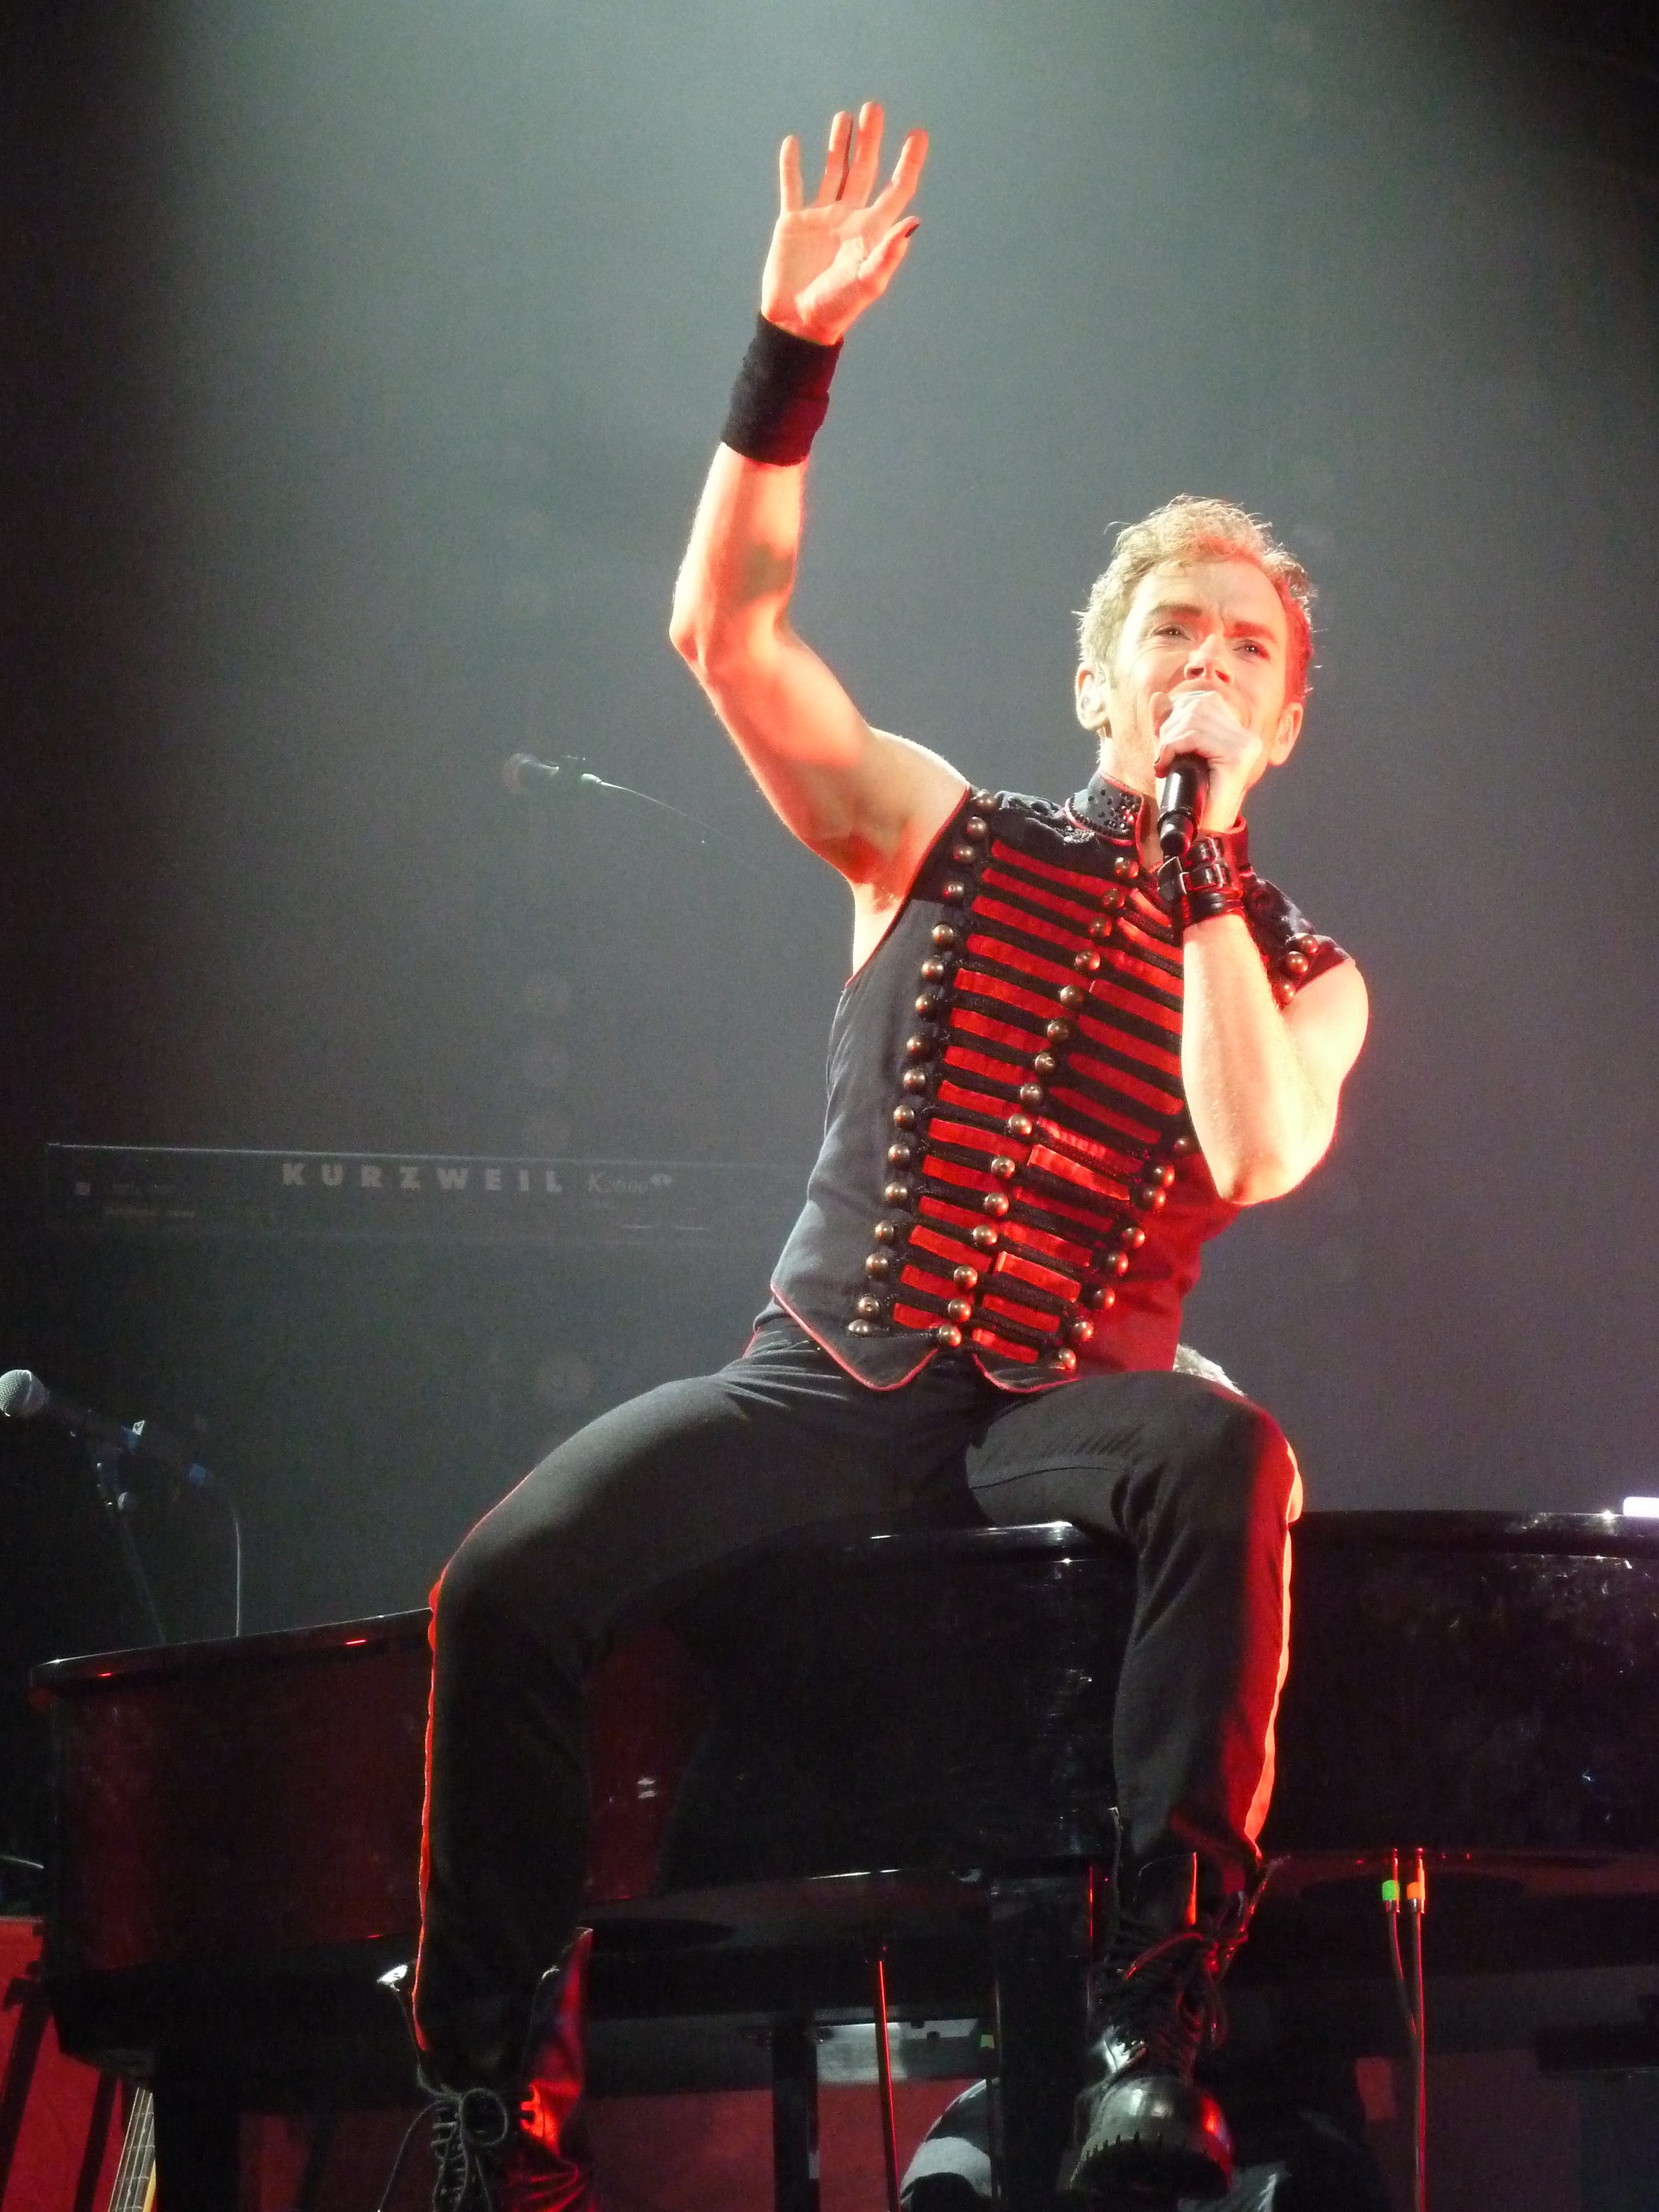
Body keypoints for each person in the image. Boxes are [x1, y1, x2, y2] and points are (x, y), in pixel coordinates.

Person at [402, 101, 1369, 2212]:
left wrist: (1203, 877)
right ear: (1099, 680)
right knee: (505, 1586)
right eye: (1175, 635)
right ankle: (495, 2111)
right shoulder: (939, 829)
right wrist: (790, 354)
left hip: (1065, 1419)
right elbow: (726, 641)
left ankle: (1149, 2044)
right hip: (824, 1382)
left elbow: (1254, 1146)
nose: (1207, 666)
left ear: (1282, 723)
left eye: (1248, 653)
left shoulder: (1301, 968)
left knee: (1230, 1452)